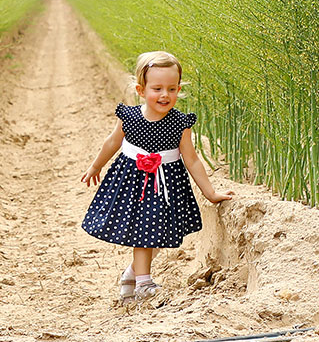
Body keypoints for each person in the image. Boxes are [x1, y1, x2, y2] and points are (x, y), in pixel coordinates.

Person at [80, 51, 234, 302]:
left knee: (159, 234)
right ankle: (144, 283)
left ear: (179, 89)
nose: (165, 95)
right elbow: (112, 143)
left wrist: (210, 192)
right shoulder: (129, 117)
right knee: (143, 233)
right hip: (133, 181)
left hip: (166, 184)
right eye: (157, 88)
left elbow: (192, 159)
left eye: (172, 89)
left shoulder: (179, 123)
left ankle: (131, 274)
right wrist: (96, 166)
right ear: (141, 90)